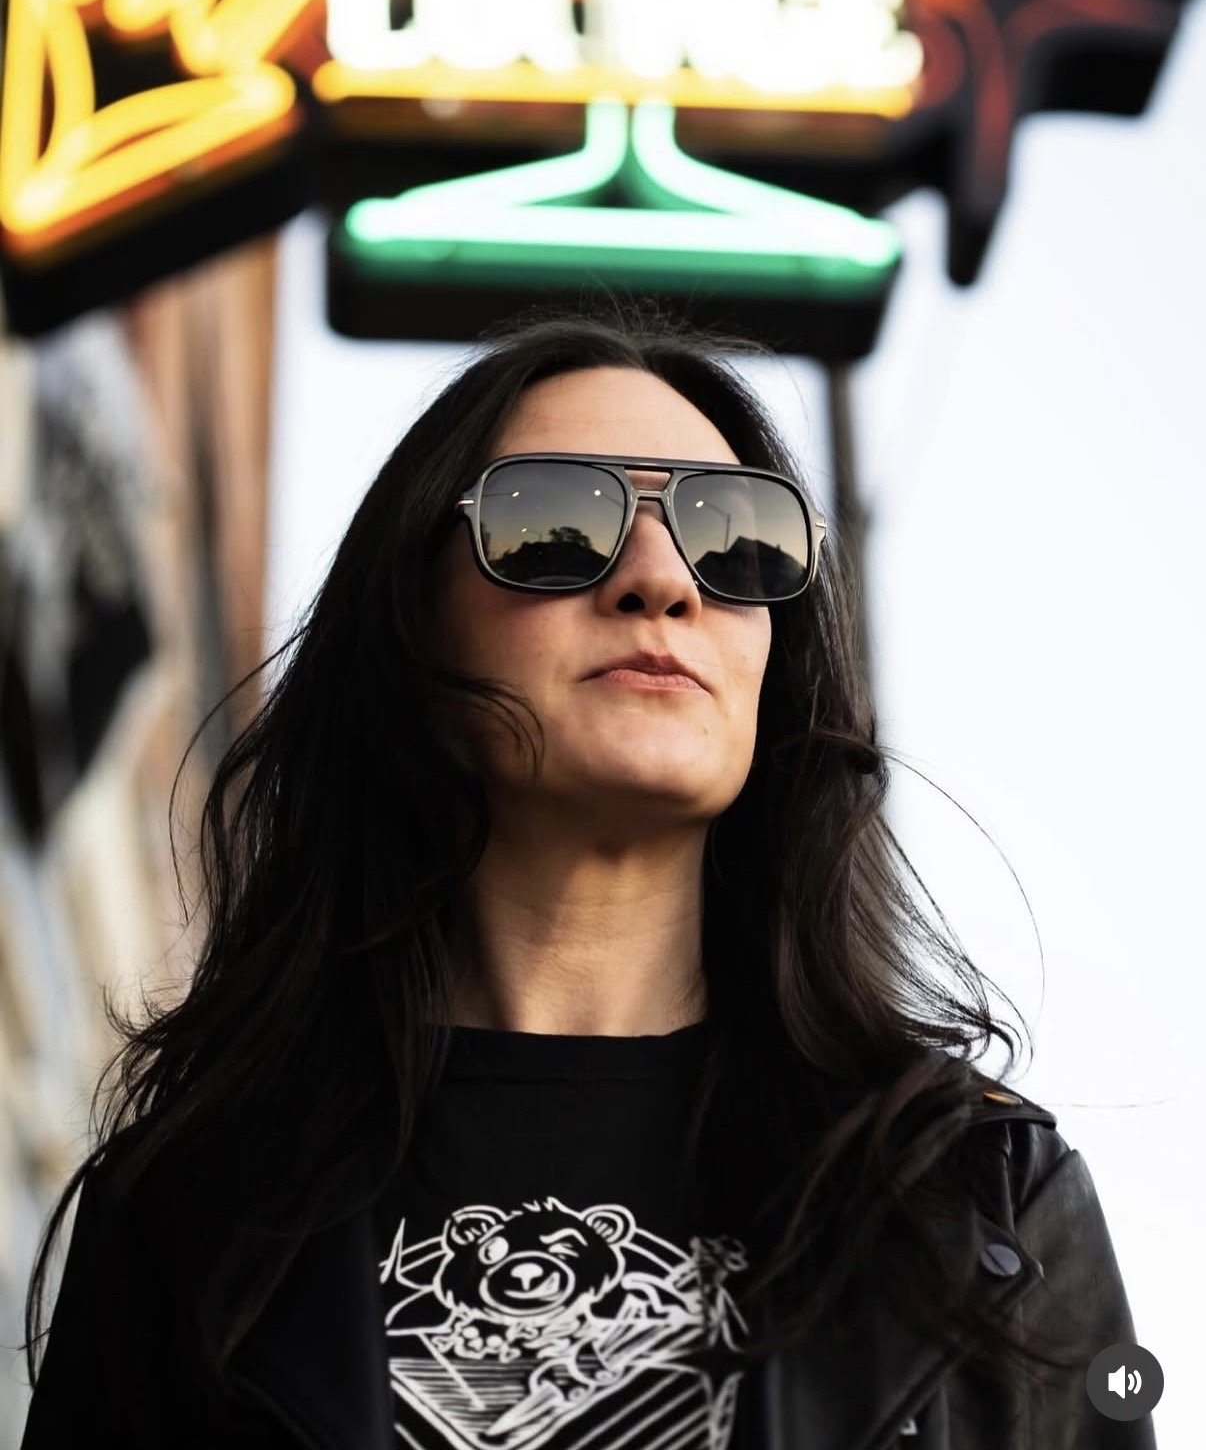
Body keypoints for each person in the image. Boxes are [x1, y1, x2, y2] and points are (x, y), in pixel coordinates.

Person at [20, 309, 1151, 1450]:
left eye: (738, 541)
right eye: (554, 522)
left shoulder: (987, 1203)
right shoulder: (186, 1216)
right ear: (414, 630)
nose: (662, 580)